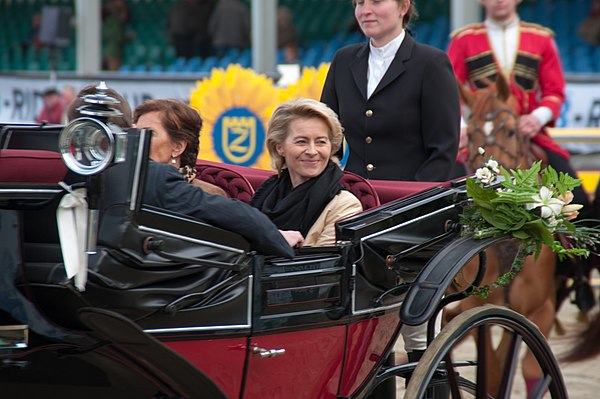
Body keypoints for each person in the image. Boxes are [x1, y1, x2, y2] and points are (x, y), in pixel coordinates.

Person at [67, 83, 303, 257]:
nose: (134, 141)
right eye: (133, 132)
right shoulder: (139, 177)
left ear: (178, 147)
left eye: (146, 135)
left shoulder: (206, 191)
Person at [447, 0, 589, 210]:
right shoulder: (464, 40)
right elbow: (450, 90)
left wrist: (536, 118)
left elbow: (554, 91)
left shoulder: (541, 39)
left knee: (579, 199)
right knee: (447, 196)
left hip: (528, 134)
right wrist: (461, 127)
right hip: (479, 136)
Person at [320, 0, 460, 182]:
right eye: (360, 3)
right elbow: (326, 135)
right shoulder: (343, 60)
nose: (365, 11)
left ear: (403, 7)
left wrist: (415, 202)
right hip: (353, 197)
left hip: (410, 200)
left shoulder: (431, 63)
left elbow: (443, 150)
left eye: (376, 2)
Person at [251, 98, 363, 246]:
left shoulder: (344, 205)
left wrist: (272, 240)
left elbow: (323, 265)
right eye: (301, 142)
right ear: (279, 147)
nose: (312, 151)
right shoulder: (267, 193)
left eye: (321, 142)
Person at [133, 99, 227, 197]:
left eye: (149, 133)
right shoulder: (125, 185)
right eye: (136, 132)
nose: (137, 139)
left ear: (178, 147)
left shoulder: (208, 194)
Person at [102, 0, 130, 71]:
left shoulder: (118, 20)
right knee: (113, 71)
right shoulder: (111, 20)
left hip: (118, 49)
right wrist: (127, 38)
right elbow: (114, 36)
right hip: (112, 50)